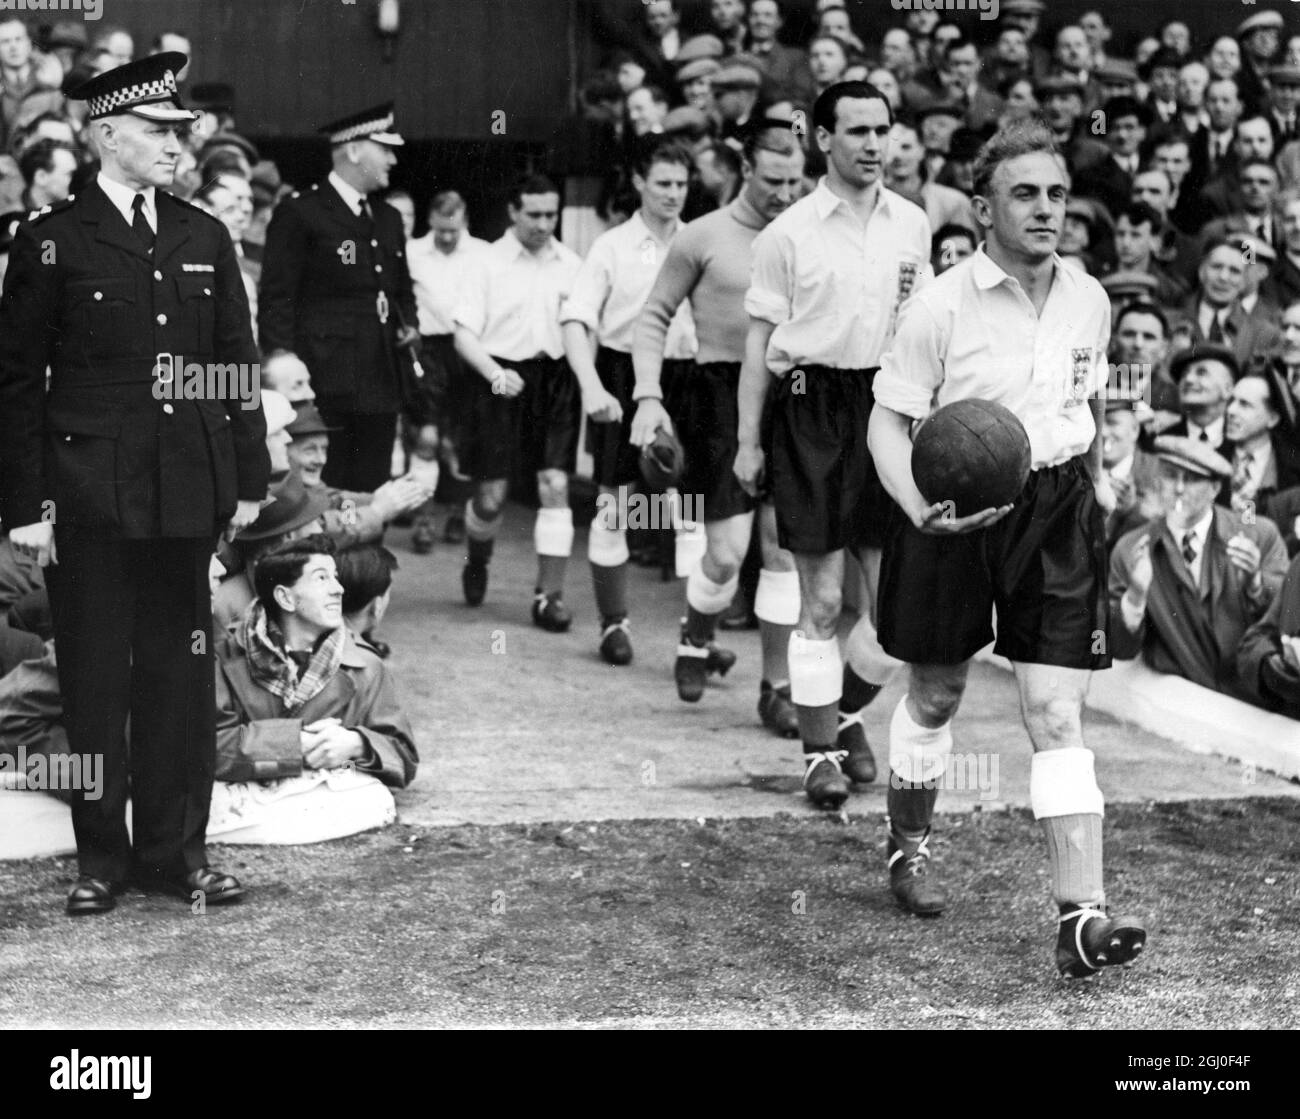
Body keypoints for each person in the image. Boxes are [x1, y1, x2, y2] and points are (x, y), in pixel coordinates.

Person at [867, 119, 1146, 978]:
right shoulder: (939, 303)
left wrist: (1097, 477)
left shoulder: (1091, 297)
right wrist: (918, 507)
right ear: (983, 206)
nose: (1046, 209)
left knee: (1057, 712)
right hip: (955, 510)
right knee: (940, 693)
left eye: (1057, 194)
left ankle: (1082, 919)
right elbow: (888, 417)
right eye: (1025, 193)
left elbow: (1084, 401)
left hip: (1057, 506)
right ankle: (908, 845)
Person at [0, 53, 269, 915]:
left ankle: (176, 854)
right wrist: (25, 508)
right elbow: (15, 380)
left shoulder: (202, 235)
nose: (176, 145)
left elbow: (235, 365)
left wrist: (250, 476)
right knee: (93, 680)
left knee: (178, 677)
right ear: (106, 134)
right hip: (85, 496)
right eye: (157, 131)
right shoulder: (51, 239)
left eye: (181, 131)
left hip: (184, 490)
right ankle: (100, 860)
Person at [737, 82, 932, 807]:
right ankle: (818, 750)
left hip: (886, 406)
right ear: (822, 139)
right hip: (809, 407)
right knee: (820, 602)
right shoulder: (787, 234)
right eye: (856, 131)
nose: (874, 144)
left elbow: (925, 333)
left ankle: (847, 709)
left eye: (882, 129)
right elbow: (760, 344)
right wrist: (747, 442)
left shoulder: (912, 224)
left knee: (895, 614)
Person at [631, 122, 805, 737]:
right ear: (744, 171)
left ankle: (777, 687)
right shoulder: (702, 236)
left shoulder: (809, 235)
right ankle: (695, 637)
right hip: (720, 398)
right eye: (774, 181)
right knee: (727, 555)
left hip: (794, 396)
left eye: (796, 180)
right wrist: (648, 396)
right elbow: (652, 317)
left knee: (782, 546)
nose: (786, 193)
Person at [561, 139, 696, 666]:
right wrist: (592, 387)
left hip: (688, 379)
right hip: (622, 376)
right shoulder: (612, 246)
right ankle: (613, 624)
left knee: (689, 512)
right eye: (662, 183)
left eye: (681, 184)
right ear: (639, 181)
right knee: (615, 507)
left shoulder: (700, 239)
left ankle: (695, 638)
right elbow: (575, 319)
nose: (673, 194)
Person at [259, 103, 420, 494]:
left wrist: (410, 325)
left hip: (380, 381)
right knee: (321, 491)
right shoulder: (301, 212)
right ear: (353, 150)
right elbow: (277, 299)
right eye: (385, 148)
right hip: (324, 383)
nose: (392, 159)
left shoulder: (388, 218)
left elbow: (400, 289)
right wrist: (283, 370)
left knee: (373, 492)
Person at [453, 174, 583, 628]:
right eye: (535, 214)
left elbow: (583, 330)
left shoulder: (572, 263)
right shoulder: (486, 263)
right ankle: (477, 558)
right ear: (513, 212)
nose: (544, 224)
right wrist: (494, 373)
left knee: (556, 485)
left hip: (555, 379)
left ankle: (549, 597)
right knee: (491, 498)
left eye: (551, 214)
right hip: (499, 375)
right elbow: (464, 334)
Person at [214, 535, 417, 790]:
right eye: (322, 578)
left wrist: (356, 744)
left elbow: (404, 757)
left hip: (327, 819)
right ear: (286, 598)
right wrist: (292, 744)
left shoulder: (366, 666)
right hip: (244, 817)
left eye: (335, 577)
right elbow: (206, 745)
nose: (338, 589)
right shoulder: (225, 658)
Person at [1110, 436, 1286, 702]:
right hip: (1188, 707)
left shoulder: (1259, 535)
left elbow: (1288, 622)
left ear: (1215, 488)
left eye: (1192, 479)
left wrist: (1256, 585)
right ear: (1158, 479)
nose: (1179, 488)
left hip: (1258, 706)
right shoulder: (1132, 549)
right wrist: (1135, 597)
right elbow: (1119, 649)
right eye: (1170, 476)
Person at [405, 190, 488, 552]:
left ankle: (456, 511)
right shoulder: (413, 254)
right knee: (427, 438)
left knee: (464, 438)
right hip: (430, 349)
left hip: (470, 349)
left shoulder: (485, 255)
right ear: (431, 223)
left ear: (465, 222)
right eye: (441, 230)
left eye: (454, 230)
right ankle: (423, 519)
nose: (448, 237)